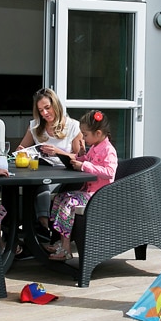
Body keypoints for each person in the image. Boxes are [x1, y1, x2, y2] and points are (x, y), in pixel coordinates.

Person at [45, 110, 117, 261]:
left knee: (68, 202)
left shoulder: (108, 150)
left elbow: (109, 172)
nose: (83, 138)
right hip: (88, 193)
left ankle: (66, 249)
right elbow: (87, 160)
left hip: (98, 196)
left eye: (85, 135)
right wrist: (81, 156)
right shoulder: (95, 147)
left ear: (98, 133)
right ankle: (61, 241)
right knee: (59, 198)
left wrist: (84, 166)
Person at [16, 88, 83, 229]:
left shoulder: (73, 126)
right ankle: (36, 229)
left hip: (63, 175)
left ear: (56, 105)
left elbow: (80, 158)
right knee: (33, 185)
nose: (44, 113)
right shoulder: (35, 126)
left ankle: (43, 227)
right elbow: (20, 149)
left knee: (43, 186)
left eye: (47, 108)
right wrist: (22, 152)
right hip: (39, 172)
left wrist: (58, 152)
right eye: (41, 110)